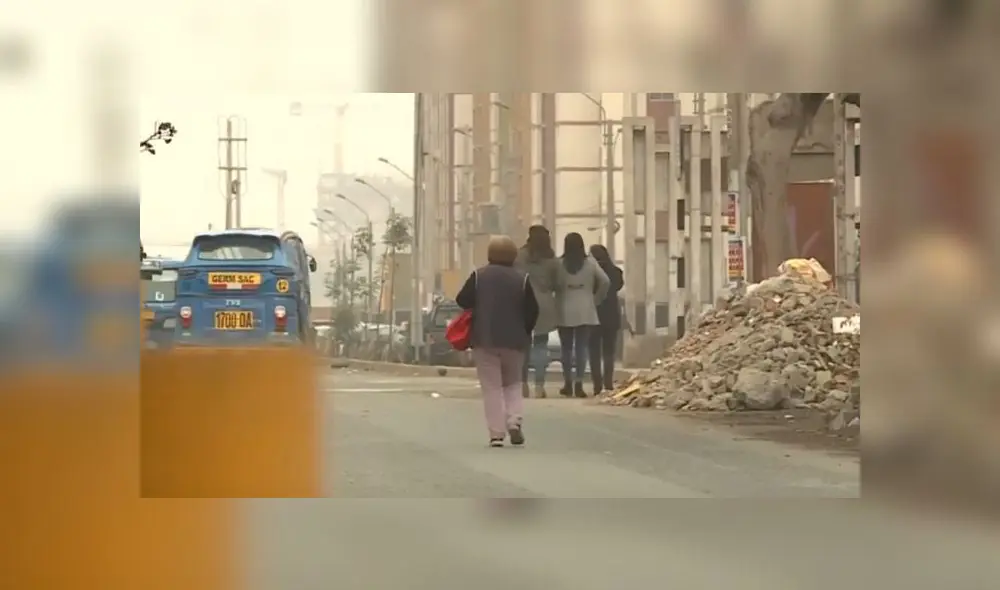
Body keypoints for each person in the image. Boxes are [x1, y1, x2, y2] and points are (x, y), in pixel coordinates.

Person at [456, 235, 539, 447]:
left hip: (485, 339)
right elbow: (533, 311)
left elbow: (462, 300)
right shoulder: (523, 279)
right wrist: (524, 330)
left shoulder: (478, 276)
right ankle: (514, 421)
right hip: (515, 341)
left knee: (492, 387)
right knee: (513, 383)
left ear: (490, 254)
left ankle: (496, 434)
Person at [554, 232, 609, 398]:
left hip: (563, 309)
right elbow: (605, 281)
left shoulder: (559, 264)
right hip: (586, 309)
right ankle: (579, 383)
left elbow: (553, 284)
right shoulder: (590, 263)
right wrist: (596, 299)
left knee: (566, 348)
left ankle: (567, 383)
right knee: (581, 348)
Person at [514, 225, 561, 399]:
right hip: (545, 304)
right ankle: (539, 386)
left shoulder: (519, 256)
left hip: (522, 303)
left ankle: (522, 384)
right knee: (541, 346)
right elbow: (557, 283)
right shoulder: (552, 259)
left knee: (523, 347)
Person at [588, 244, 624, 395]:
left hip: (593, 313)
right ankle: (608, 383)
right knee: (609, 351)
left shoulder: (590, 273)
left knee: (594, 351)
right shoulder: (616, 272)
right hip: (611, 314)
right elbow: (617, 287)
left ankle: (597, 385)